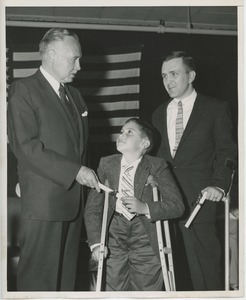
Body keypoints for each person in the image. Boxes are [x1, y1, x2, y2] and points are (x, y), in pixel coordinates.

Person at [7, 28, 100, 291]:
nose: (79, 66)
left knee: (65, 283)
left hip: (73, 204)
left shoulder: (76, 96)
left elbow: (80, 147)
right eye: (74, 59)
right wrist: (75, 171)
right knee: (40, 282)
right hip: (44, 205)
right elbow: (25, 147)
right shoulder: (24, 89)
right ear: (50, 55)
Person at [152, 51, 237, 291]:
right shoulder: (158, 113)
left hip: (200, 201)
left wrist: (219, 185)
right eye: (163, 76)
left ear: (191, 76)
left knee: (205, 269)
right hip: (166, 201)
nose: (168, 80)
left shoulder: (215, 108)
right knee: (168, 269)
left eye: (174, 74)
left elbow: (227, 151)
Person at [84, 118, 184, 291]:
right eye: (122, 131)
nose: (122, 135)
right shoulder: (106, 164)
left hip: (144, 234)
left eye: (130, 132)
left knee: (145, 288)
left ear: (145, 143)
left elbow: (177, 205)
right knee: (112, 287)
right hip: (113, 233)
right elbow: (93, 208)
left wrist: (146, 208)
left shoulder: (157, 165)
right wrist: (96, 243)